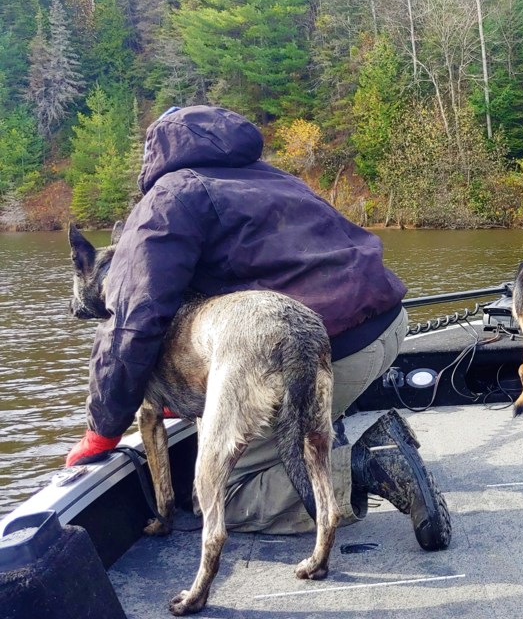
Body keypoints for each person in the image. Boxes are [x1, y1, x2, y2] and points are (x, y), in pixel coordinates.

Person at [65, 105, 451, 550]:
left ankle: (368, 467)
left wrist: (103, 427)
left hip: (324, 348)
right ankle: (371, 439)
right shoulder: (271, 176)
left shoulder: (169, 198)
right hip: (386, 326)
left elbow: (133, 319)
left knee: (221, 493)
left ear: (156, 156)